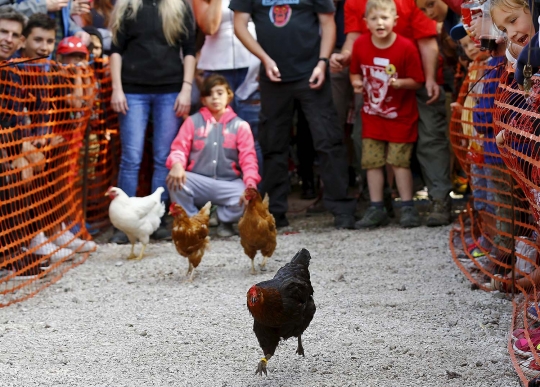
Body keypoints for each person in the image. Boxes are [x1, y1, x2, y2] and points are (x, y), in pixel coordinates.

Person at [230, 0, 357, 229]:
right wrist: (264, 59)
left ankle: (342, 208)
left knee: (328, 140)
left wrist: (322, 62)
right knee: (273, 144)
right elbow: (239, 24)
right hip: (273, 76)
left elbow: (327, 23)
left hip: (311, 73)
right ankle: (275, 212)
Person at [332, 0, 453, 227]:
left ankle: (439, 200)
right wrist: (345, 57)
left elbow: (427, 41)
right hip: (376, 85)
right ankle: (378, 202)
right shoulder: (353, 3)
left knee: (430, 138)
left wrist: (428, 80)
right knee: (362, 140)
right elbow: (353, 37)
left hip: (414, 75)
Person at [108, 0, 196, 243]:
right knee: (131, 157)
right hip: (132, 90)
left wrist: (186, 89)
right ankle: (123, 225)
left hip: (170, 90)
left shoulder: (180, 6)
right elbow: (115, 49)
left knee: (163, 157)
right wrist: (117, 89)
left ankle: (157, 220)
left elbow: (189, 49)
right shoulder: (127, 5)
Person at [349, 0, 424, 229]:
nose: (379, 22)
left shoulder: (406, 47)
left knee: (399, 162)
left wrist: (400, 83)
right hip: (372, 117)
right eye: (373, 18)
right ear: (366, 23)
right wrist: (357, 84)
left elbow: (418, 81)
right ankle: (376, 207)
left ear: (395, 21)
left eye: (384, 18)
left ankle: (408, 206)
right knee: (372, 163)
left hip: (400, 118)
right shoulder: (360, 45)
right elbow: (354, 73)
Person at [166, 75, 260, 237]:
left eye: (219, 92)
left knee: (250, 196)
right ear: (203, 100)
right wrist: (176, 164)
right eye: (209, 94)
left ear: (229, 96)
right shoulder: (192, 122)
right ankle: (194, 222)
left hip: (228, 183)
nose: (215, 97)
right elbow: (179, 148)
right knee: (174, 180)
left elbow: (249, 159)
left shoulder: (240, 126)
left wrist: (251, 184)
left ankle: (223, 220)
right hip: (199, 181)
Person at [193, 0, 263, 178]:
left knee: (252, 137)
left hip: (252, 67)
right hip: (217, 70)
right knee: (216, 136)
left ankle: (255, 196)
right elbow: (209, 27)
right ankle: (221, 193)